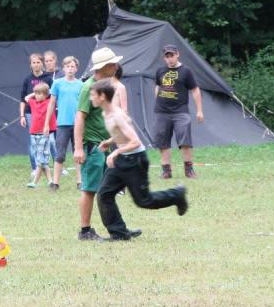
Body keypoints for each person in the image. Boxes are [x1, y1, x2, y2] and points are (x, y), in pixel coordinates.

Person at [94, 80, 188, 240]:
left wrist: (115, 152)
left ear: (102, 96)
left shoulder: (117, 116)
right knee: (104, 194)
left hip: (135, 160)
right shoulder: (106, 113)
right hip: (123, 159)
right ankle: (119, 234)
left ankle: (177, 194)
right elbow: (121, 133)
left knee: (144, 201)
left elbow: (135, 141)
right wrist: (110, 142)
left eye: (93, 95)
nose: (91, 98)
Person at [72, 47, 123, 241]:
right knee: (89, 189)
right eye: (113, 64)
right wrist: (78, 148)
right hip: (92, 146)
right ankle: (85, 231)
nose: (116, 66)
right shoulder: (89, 88)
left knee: (106, 189)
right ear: (104, 67)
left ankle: (117, 229)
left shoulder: (104, 86)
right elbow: (80, 118)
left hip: (103, 145)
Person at [152, 44, 204, 179]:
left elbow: (195, 90)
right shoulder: (160, 71)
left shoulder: (186, 71)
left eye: (172, 55)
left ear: (177, 54)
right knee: (163, 142)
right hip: (162, 112)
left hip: (180, 111)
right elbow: (157, 86)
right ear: (164, 58)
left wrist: (199, 110)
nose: (169, 59)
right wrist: (157, 100)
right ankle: (166, 171)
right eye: (167, 56)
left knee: (185, 141)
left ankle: (189, 170)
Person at [47, 56, 83, 189]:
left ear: (76, 69)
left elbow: (84, 105)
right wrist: (46, 123)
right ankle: (55, 183)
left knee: (78, 152)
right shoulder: (57, 83)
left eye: (73, 66)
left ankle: (80, 182)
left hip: (78, 124)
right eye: (68, 66)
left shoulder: (81, 85)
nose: (70, 69)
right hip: (62, 123)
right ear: (63, 68)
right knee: (60, 154)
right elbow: (51, 104)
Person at [18, 53, 52, 177]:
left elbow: (53, 96)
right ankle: (35, 168)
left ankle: (53, 165)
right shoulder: (27, 79)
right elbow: (23, 99)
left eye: (38, 62)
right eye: (34, 62)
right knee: (33, 141)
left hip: (46, 113)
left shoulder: (48, 78)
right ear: (30, 64)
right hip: (30, 114)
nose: (36, 65)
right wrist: (22, 116)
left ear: (42, 63)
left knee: (50, 140)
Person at [25, 82, 54, 188]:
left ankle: (35, 182)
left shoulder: (49, 103)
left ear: (46, 95)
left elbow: (53, 97)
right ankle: (50, 181)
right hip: (34, 134)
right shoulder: (33, 102)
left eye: (39, 94)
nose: (37, 96)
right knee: (42, 160)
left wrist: (46, 91)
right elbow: (26, 98)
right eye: (36, 93)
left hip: (44, 134)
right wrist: (35, 92)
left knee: (40, 159)